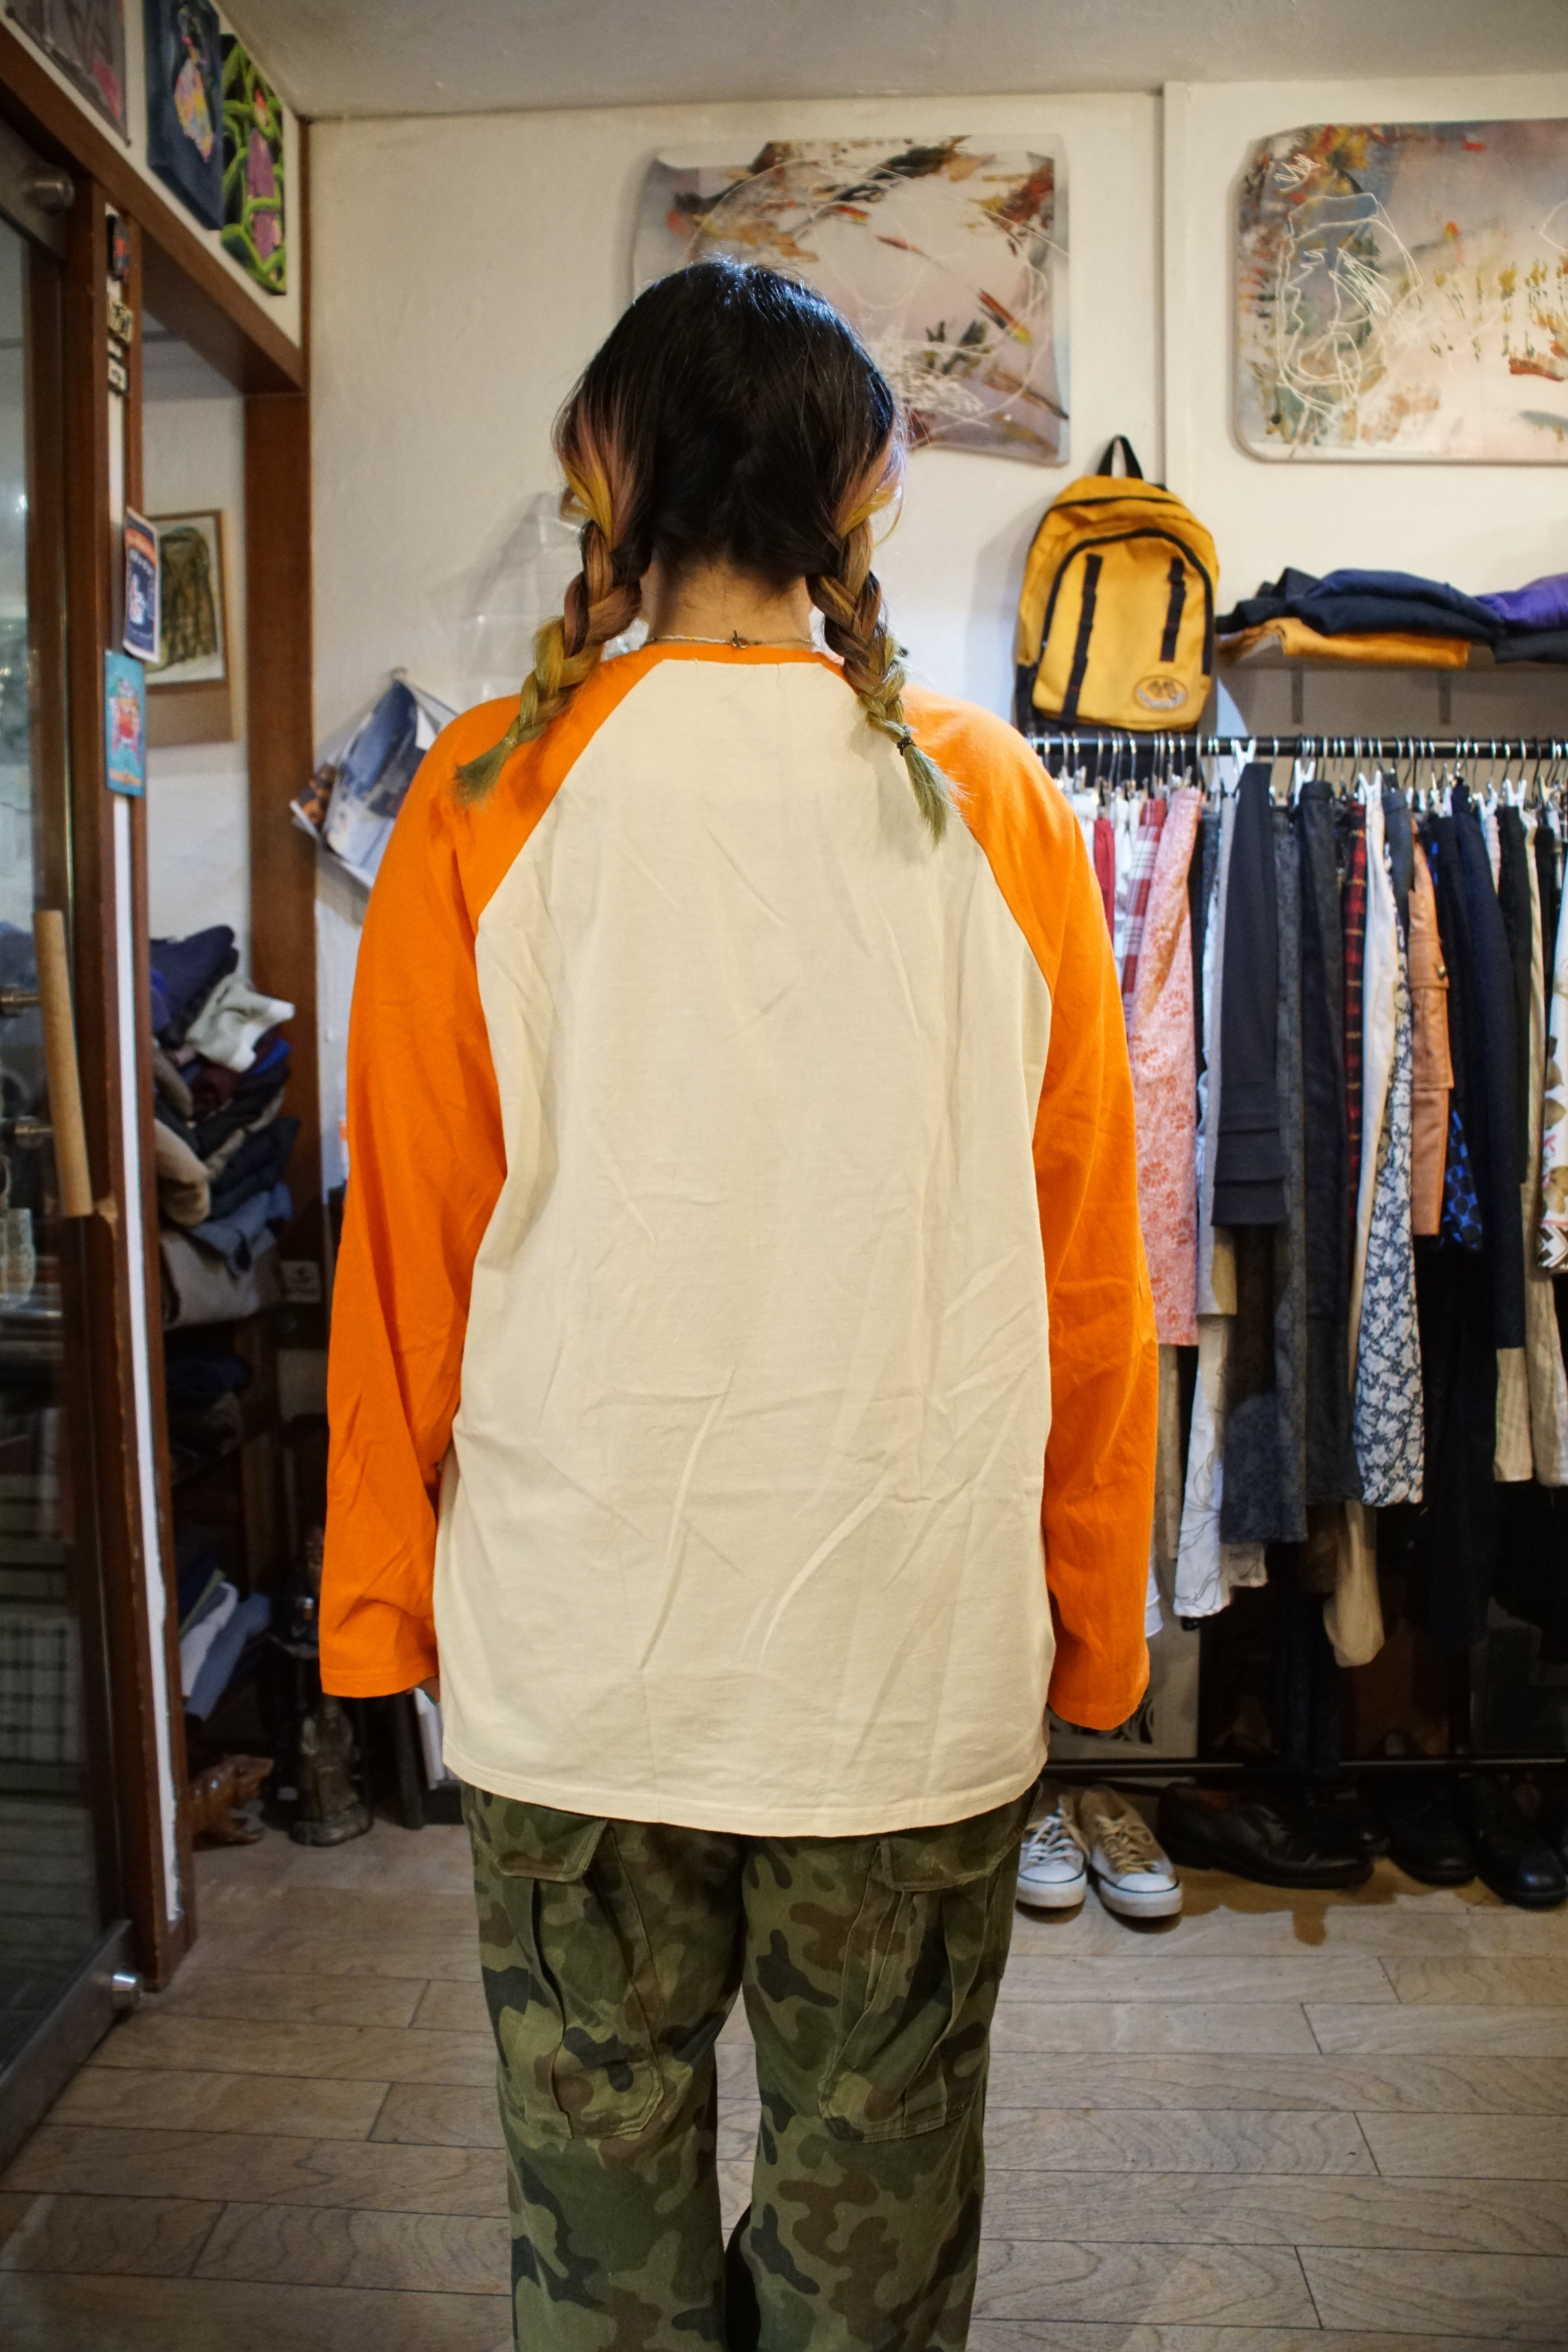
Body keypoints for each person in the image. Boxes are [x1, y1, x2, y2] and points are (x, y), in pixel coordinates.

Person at [321, 260, 1155, 2352]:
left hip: (580, 1661)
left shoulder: (485, 797)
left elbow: (406, 1255)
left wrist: (378, 1610)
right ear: (860, 501)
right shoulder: (997, 804)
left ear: (608, 479)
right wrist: (1097, 1617)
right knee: (873, 2262)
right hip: (907, 1664)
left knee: (597, 2267)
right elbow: (1090, 1271)